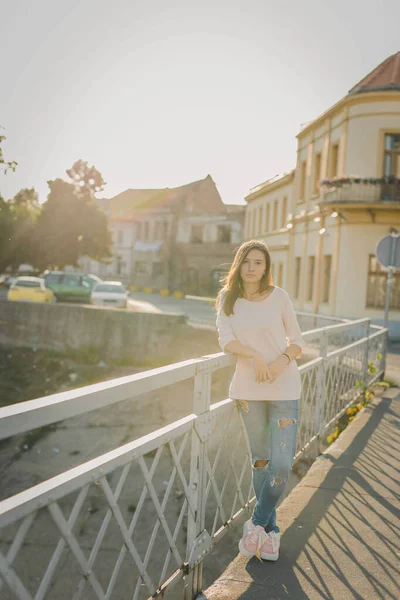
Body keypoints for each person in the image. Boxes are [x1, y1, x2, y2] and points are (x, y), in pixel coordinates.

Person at [215, 239, 305, 561]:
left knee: (281, 464)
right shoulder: (228, 300)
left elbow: (297, 342)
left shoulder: (279, 297)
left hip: (284, 390)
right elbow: (226, 340)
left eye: (259, 263)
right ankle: (270, 536)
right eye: (247, 262)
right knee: (262, 462)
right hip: (249, 392)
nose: (253, 268)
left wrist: (279, 362)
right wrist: (253, 355)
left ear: (266, 268)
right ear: (238, 264)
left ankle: (255, 524)